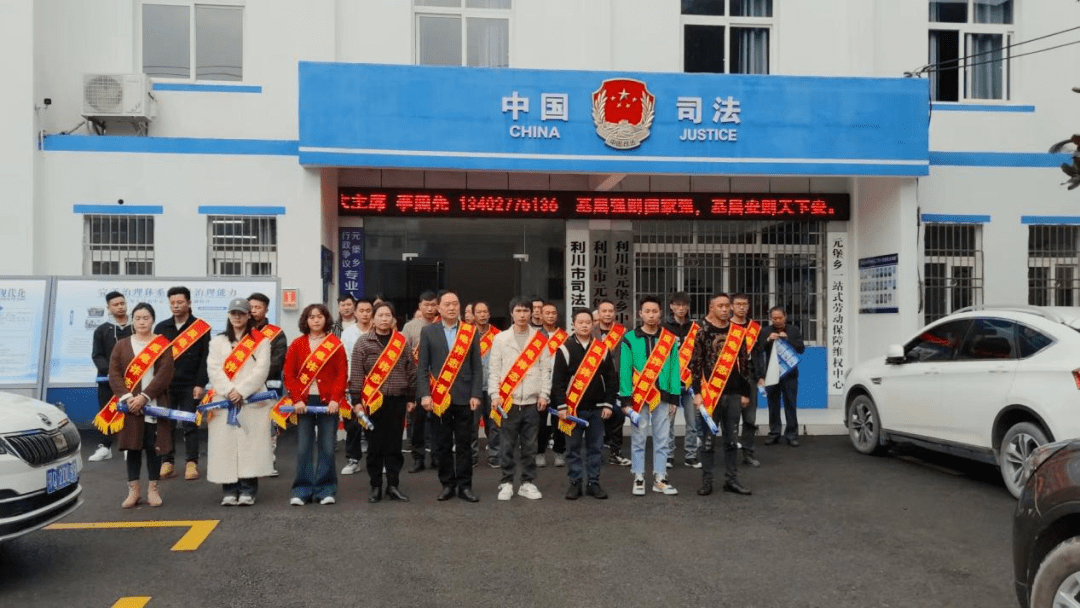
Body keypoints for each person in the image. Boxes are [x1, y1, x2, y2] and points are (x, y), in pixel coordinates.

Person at [417, 290, 483, 502]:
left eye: (455, 303)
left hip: (465, 397)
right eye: (447, 304)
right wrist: (425, 395)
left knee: (464, 444)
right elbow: (422, 368)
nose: (452, 308)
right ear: (438, 308)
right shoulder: (428, 332)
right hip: (439, 397)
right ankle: (447, 484)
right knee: (442, 444)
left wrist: (476, 393)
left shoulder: (470, 332)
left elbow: (477, 367)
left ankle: (465, 486)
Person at [205, 298, 273, 506]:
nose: (237, 317)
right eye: (233, 313)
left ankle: (248, 490)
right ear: (228, 315)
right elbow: (213, 369)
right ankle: (229, 490)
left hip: (251, 400)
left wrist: (241, 391)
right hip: (224, 399)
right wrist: (229, 391)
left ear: (248, 316)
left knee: (249, 445)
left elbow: (261, 370)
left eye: (241, 313)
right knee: (225, 446)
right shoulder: (217, 342)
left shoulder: (261, 341)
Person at [108, 302, 174, 508]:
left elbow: (165, 374)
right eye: (137, 318)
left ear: (152, 320)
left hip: (153, 403)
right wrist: (128, 398)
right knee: (132, 447)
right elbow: (114, 374)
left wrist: (144, 396)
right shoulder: (122, 345)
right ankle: (133, 490)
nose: (141, 322)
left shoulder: (162, 345)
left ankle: (153, 489)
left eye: (146, 318)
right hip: (130, 406)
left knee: (153, 447)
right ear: (132, 321)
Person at [349, 301, 416, 503]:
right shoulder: (363, 342)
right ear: (373, 318)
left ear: (393, 319)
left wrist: (412, 397)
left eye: (388, 315)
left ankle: (393, 485)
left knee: (394, 446)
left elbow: (411, 370)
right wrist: (356, 400)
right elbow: (357, 372)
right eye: (380, 315)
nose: (384, 319)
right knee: (374, 446)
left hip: (397, 399)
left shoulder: (401, 341)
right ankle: (376, 486)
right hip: (372, 402)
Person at [282, 303, 348, 505]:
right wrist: (297, 399)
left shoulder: (335, 344)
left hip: (328, 402)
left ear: (326, 319)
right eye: (311, 317)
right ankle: (301, 490)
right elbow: (289, 375)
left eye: (320, 316)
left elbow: (341, 374)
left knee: (327, 447)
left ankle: (326, 489)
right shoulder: (297, 344)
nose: (316, 320)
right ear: (306, 320)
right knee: (304, 447)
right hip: (304, 402)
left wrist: (336, 398)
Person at [689, 293, 754, 497]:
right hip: (710, 394)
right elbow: (695, 364)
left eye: (727, 306)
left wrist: (745, 393)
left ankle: (731, 480)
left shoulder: (738, 333)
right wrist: (697, 393)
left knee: (731, 440)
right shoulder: (703, 332)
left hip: (734, 394)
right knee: (708, 441)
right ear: (712, 307)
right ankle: (707, 481)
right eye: (720, 306)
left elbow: (744, 364)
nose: (725, 309)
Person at [488, 298, 552, 501]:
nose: (522, 314)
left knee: (530, 446)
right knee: (507, 445)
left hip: (532, 401)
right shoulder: (500, 338)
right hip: (508, 400)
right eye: (518, 311)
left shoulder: (539, 339)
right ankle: (506, 482)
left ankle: (527, 483)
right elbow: (494, 369)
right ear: (512, 313)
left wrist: (544, 394)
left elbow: (546, 369)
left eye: (526, 310)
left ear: (532, 313)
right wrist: (494, 395)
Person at [552, 308, 617, 500]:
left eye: (588, 322)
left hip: (597, 409)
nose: (584, 325)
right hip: (572, 409)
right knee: (572, 449)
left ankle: (593, 483)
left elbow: (611, 379)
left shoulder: (601, 349)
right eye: (580, 322)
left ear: (593, 324)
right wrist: (561, 406)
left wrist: (608, 404)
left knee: (595, 448)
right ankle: (575, 483)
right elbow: (558, 382)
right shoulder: (564, 349)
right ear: (573, 324)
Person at [620, 296, 681, 496]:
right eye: (647, 311)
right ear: (640, 314)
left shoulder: (668, 339)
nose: (651, 315)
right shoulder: (629, 338)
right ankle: (638, 476)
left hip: (662, 396)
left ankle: (660, 478)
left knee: (662, 438)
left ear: (660, 313)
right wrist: (626, 399)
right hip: (638, 397)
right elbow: (625, 370)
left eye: (655, 311)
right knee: (638, 438)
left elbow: (674, 369)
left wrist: (674, 397)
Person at [155, 286, 211, 481]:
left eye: (180, 302)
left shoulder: (200, 328)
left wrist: (200, 383)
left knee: (189, 423)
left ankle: (191, 463)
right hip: (166, 385)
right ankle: (167, 461)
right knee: (166, 423)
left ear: (189, 303)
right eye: (172, 303)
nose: (176, 306)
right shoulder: (161, 328)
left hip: (190, 384)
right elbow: (156, 359)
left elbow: (205, 358)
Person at [248, 292, 287, 477]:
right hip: (243, 387)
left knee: (269, 423)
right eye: (251, 307)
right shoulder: (240, 332)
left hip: (269, 385)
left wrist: (256, 377)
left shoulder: (276, 333)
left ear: (266, 310)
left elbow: (278, 360)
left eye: (258, 307)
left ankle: (268, 460)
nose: (254, 311)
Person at [89, 291, 131, 462]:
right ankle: (105, 447)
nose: (120, 307)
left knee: (131, 411)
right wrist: (112, 372)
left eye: (122, 303)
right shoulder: (102, 330)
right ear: (109, 308)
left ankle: (129, 446)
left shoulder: (135, 327)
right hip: (107, 380)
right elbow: (97, 355)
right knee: (107, 411)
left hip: (132, 379)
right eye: (116, 304)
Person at [402, 290, 439, 473]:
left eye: (433, 305)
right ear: (420, 306)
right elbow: (404, 354)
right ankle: (418, 458)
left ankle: (437, 456)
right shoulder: (410, 327)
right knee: (418, 422)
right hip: (418, 380)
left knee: (439, 422)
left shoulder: (443, 324)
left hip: (440, 381)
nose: (430, 308)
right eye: (426, 305)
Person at [760, 306, 806, 447]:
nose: (778, 321)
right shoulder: (765, 331)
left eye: (780, 318)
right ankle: (774, 433)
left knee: (790, 404)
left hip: (790, 374)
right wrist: (768, 339)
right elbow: (758, 348)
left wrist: (788, 339)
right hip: (772, 373)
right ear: (770, 318)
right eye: (774, 318)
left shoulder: (794, 330)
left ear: (785, 317)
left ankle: (792, 434)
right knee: (773, 404)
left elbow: (801, 349)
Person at [665, 292, 701, 469]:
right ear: (671, 306)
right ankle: (668, 455)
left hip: (690, 382)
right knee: (668, 422)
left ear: (688, 307)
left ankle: (691, 455)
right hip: (669, 382)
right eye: (677, 305)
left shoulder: (695, 328)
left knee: (692, 422)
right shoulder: (663, 328)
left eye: (684, 305)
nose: (681, 308)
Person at [341, 297, 374, 476]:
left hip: (375, 385)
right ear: (355, 313)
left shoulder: (380, 330)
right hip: (353, 382)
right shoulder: (347, 333)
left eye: (368, 311)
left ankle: (377, 460)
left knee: (374, 423)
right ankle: (353, 460)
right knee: (353, 424)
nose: (365, 314)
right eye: (361, 311)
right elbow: (345, 359)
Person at [730, 293, 764, 468]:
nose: (741, 307)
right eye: (738, 304)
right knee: (731, 418)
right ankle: (730, 454)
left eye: (744, 304)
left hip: (749, 377)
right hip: (730, 378)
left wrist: (761, 376)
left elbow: (759, 354)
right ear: (731, 306)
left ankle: (748, 453)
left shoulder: (754, 328)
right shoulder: (725, 327)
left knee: (750, 418)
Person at [594, 299, 629, 467]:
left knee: (618, 416)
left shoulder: (623, 332)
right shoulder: (591, 331)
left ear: (614, 313)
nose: (607, 314)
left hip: (617, 380)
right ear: (598, 313)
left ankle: (616, 452)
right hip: (595, 381)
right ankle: (596, 453)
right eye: (604, 311)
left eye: (610, 311)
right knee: (597, 417)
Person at [536, 302, 568, 468]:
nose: (550, 316)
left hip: (559, 384)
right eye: (547, 313)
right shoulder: (534, 336)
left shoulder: (565, 337)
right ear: (540, 315)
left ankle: (559, 452)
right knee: (539, 422)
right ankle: (539, 452)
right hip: (540, 383)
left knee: (559, 419)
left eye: (553, 313)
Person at [473, 301, 500, 468]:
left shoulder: (498, 335)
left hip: (492, 387)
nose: (482, 315)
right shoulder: (466, 335)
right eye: (479, 312)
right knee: (471, 424)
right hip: (473, 387)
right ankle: (472, 455)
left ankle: (495, 455)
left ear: (489, 314)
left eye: (485, 312)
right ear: (473, 315)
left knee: (494, 423)